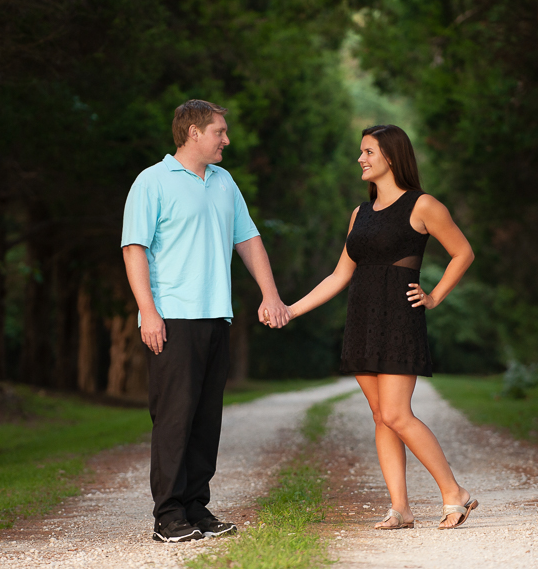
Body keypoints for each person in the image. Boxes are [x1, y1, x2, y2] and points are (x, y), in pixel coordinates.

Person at [285, 124, 478, 530]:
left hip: (398, 318)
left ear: (390, 156)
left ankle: (453, 492)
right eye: (361, 152)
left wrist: (434, 296)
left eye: (368, 151)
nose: (361, 158)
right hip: (362, 317)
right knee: (380, 415)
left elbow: (463, 252)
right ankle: (400, 508)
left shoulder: (423, 205)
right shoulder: (360, 213)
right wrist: (291, 309)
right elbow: (339, 276)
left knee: (396, 413)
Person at [121, 99, 290, 543]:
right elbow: (134, 248)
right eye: (220, 131)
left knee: (205, 418)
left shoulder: (223, 181)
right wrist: (149, 312)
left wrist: (270, 294)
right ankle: (169, 515)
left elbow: (249, 239)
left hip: (218, 314)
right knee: (175, 417)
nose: (226, 140)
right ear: (194, 132)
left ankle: (196, 506)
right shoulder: (152, 181)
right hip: (173, 316)